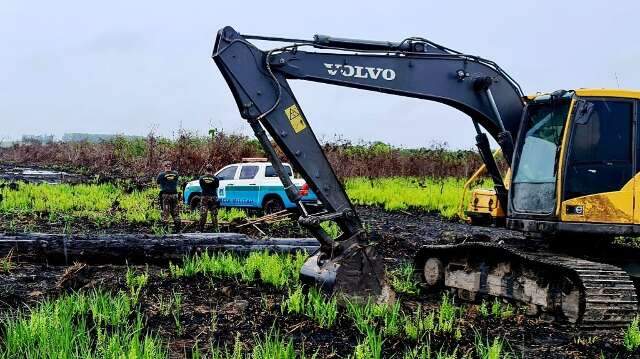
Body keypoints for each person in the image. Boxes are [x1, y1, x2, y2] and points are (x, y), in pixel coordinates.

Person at [157, 161, 181, 232]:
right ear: (170, 166)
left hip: (166, 195)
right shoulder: (176, 174)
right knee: (176, 213)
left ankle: (165, 231)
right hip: (174, 195)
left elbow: (158, 182)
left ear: (164, 166)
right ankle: (178, 230)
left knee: (166, 213)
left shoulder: (161, 175)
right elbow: (176, 180)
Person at [198, 164, 220, 232]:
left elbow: (201, 186)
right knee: (214, 214)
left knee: (203, 214)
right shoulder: (216, 178)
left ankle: (201, 229)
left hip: (204, 197)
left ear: (205, 170)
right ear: (212, 170)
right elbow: (217, 186)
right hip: (213, 197)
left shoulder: (201, 178)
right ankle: (216, 229)